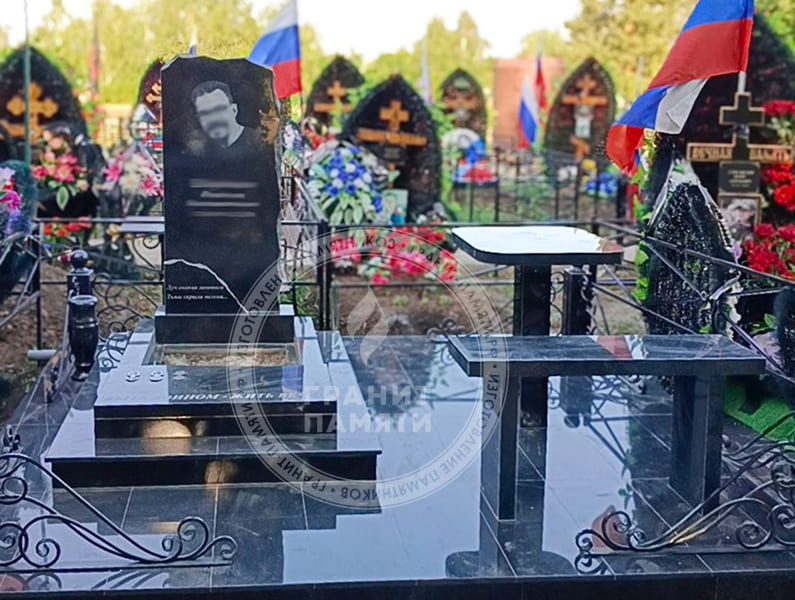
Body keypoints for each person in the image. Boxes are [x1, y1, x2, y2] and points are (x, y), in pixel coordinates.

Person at [190, 80, 261, 158]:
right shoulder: (197, 150)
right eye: (204, 113)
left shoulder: (259, 142)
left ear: (234, 110)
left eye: (218, 109)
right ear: (198, 119)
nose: (213, 119)